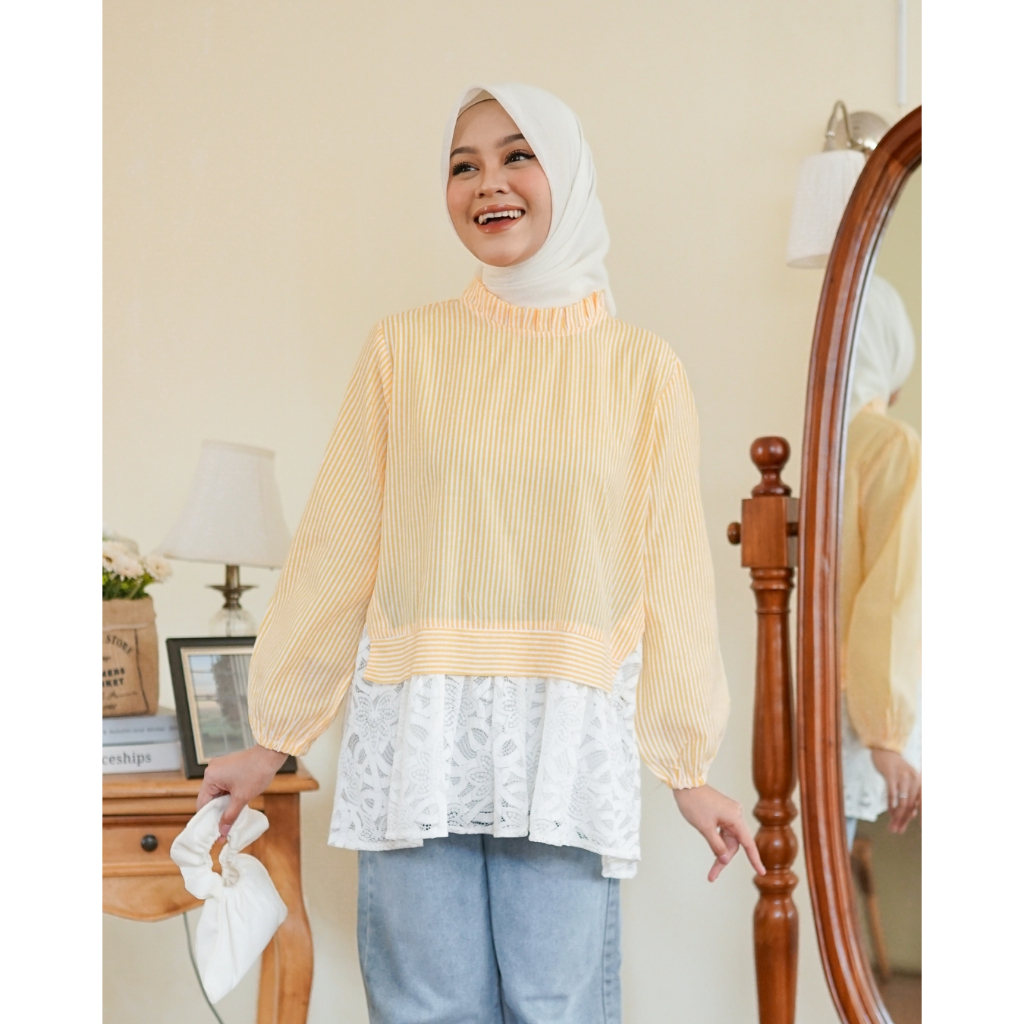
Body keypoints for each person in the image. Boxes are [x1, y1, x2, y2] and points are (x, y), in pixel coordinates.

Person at [198, 82, 764, 1024]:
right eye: (464, 166)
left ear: (568, 175)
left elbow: (672, 574)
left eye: (517, 156)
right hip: (418, 732)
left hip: (565, 737)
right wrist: (276, 735)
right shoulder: (403, 351)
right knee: (425, 1009)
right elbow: (339, 547)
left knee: (555, 1007)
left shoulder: (643, 370)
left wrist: (686, 764)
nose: (488, 183)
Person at [839, 274, 922, 849]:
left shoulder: (819, 441)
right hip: (862, 710)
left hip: (807, 698)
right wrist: (887, 735)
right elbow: (890, 598)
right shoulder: (891, 445)